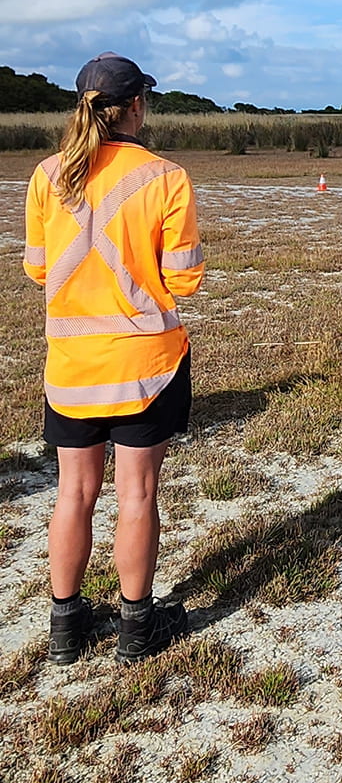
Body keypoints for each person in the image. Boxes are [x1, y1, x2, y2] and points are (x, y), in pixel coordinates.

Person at [23, 52, 204, 665]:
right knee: (138, 495)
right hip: (147, 368)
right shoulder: (166, 178)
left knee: (72, 494)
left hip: (71, 367)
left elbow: (37, 267)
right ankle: (136, 628)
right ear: (136, 107)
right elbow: (185, 280)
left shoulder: (46, 176)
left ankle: (65, 628)